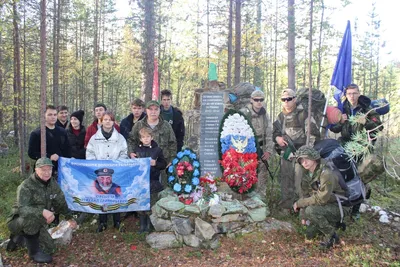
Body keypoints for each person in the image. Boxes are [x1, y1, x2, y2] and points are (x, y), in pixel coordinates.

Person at [6, 157, 77, 263]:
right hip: (18, 221)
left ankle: (19, 238)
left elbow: (60, 202)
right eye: (43, 170)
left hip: (37, 222)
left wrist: (69, 218)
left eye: (49, 170)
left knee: (50, 248)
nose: (47, 173)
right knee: (31, 219)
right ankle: (33, 253)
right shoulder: (26, 186)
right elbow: (23, 210)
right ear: (36, 169)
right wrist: (42, 212)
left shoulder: (52, 184)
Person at [330, 83, 383, 219]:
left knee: (360, 177)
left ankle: (356, 209)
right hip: (346, 145)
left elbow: (379, 127)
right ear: (346, 95)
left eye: (354, 93)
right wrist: (340, 121)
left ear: (359, 93)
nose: (352, 96)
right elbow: (333, 128)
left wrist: (366, 122)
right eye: (349, 94)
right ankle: (342, 203)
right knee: (341, 174)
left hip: (362, 146)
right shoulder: (343, 107)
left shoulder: (367, 108)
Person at [293, 146, 349, 250]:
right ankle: (334, 223)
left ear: (314, 158)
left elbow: (321, 198)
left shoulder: (326, 173)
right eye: (301, 160)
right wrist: (303, 216)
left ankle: (333, 237)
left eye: (306, 159)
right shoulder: (307, 173)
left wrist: (300, 204)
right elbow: (306, 196)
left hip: (339, 206)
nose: (304, 162)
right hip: (325, 204)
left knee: (311, 211)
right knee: (308, 233)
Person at [272, 89, 321, 209]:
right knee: (285, 179)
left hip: (301, 155)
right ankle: (286, 206)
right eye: (283, 99)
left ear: (294, 99)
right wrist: (277, 138)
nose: (286, 102)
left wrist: (306, 154)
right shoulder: (280, 116)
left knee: (300, 182)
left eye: (289, 99)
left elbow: (313, 135)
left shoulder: (303, 114)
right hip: (286, 153)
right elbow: (275, 132)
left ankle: (302, 207)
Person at [86, 111, 128, 232]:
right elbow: (90, 153)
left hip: (115, 172)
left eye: (110, 119)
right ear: (101, 121)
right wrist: (95, 164)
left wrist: (118, 164)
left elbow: (124, 153)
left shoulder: (120, 138)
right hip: (100, 173)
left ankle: (117, 221)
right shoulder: (94, 138)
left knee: (115, 195)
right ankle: (102, 222)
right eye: (105, 119)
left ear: (113, 122)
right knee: (101, 196)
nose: (107, 122)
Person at [128, 100, 176, 187]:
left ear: (159, 111)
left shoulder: (166, 125)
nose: (153, 112)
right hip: (142, 167)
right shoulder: (139, 125)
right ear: (146, 110)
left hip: (162, 166)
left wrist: (171, 160)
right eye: (150, 109)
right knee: (142, 191)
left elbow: (172, 143)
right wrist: (131, 153)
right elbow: (131, 140)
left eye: (156, 109)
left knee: (161, 192)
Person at [240, 90, 274, 201]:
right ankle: (245, 199)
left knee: (262, 175)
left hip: (261, 148)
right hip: (247, 149)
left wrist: (268, 151)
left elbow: (269, 133)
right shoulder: (244, 113)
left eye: (261, 100)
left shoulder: (264, 114)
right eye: (256, 100)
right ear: (251, 100)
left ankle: (260, 200)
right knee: (247, 174)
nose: (259, 102)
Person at [132, 127, 167, 232]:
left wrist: (155, 163)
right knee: (141, 204)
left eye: (148, 136)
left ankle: (150, 225)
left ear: (152, 137)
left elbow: (163, 164)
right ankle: (142, 226)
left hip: (153, 181)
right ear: (140, 139)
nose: (146, 139)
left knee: (151, 204)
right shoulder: (137, 150)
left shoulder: (157, 150)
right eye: (143, 137)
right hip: (140, 181)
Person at [28, 105, 71, 173]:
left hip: (61, 170)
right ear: (44, 116)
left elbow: (67, 150)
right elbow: (31, 153)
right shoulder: (37, 133)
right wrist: (49, 156)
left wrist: (59, 155)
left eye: (55, 114)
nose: (53, 117)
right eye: (50, 115)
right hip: (43, 170)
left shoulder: (62, 132)